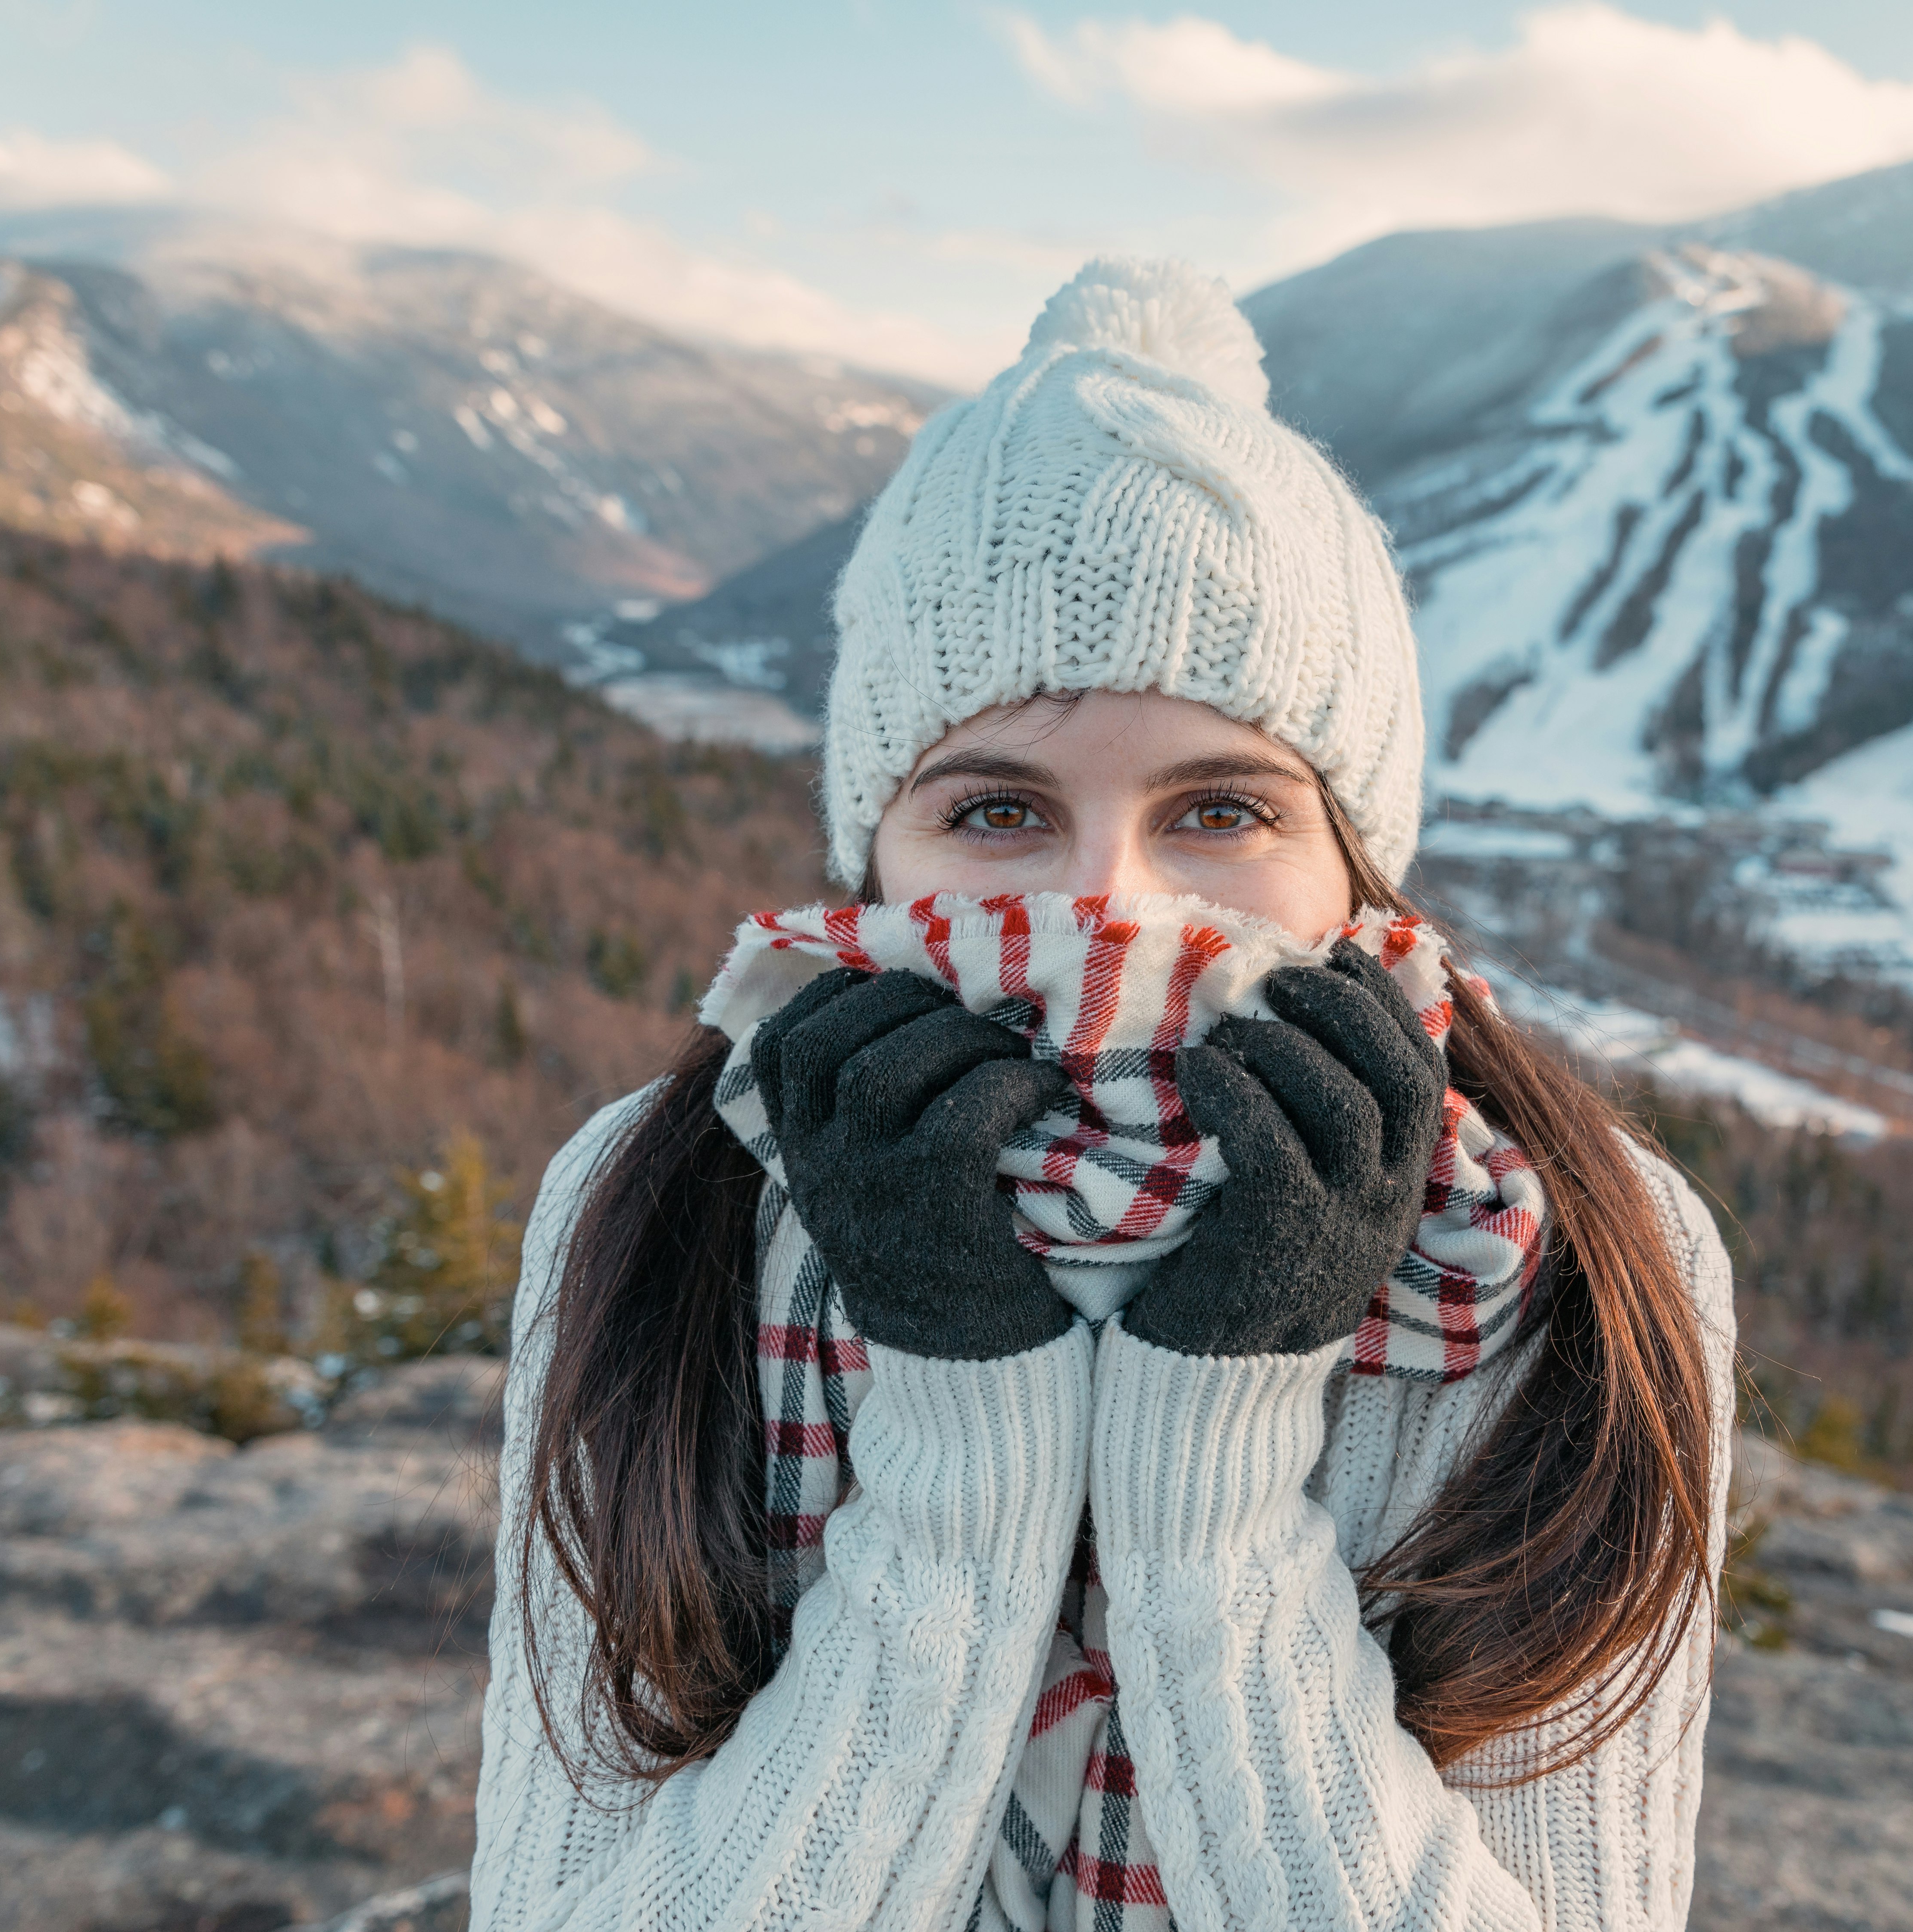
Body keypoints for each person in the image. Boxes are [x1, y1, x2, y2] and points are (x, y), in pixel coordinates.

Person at [471, 258, 1736, 1931]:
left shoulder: (1559, 1246)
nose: (1114, 905)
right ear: (880, 849)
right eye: (997, 813)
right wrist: (959, 1436)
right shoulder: (674, 1201)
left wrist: (1207, 1479)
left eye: (1221, 811)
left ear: (1354, 859)